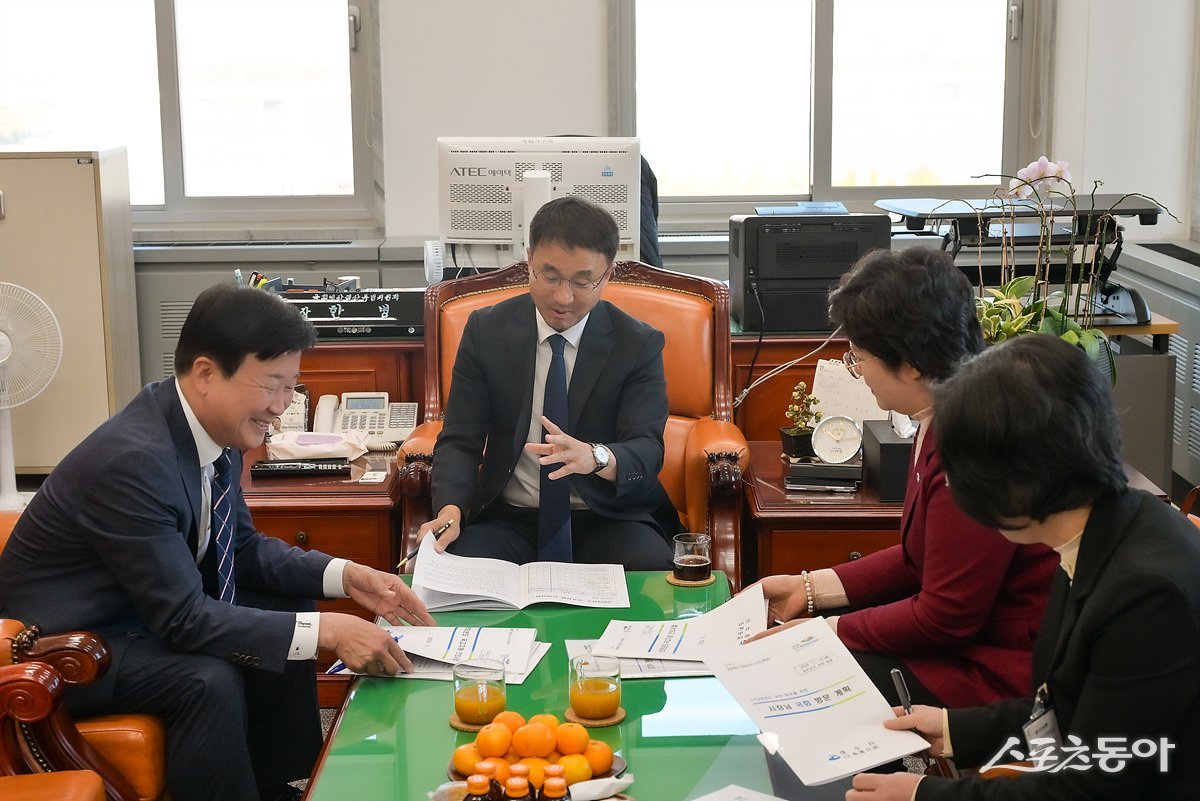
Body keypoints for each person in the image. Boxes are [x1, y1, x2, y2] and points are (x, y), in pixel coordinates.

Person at [0, 285, 436, 801]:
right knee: (205, 678)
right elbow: (183, 619)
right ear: (206, 373)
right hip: (65, 647)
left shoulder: (211, 432)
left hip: (137, 613)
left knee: (287, 606)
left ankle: (272, 786)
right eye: (272, 385)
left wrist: (350, 576)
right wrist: (328, 631)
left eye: (292, 387)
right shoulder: (133, 461)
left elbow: (242, 551)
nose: (282, 407)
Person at [850, 334, 1200, 799]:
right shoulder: (1098, 529)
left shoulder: (1145, 594)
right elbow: (1064, 705)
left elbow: (1092, 785)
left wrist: (923, 794)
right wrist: (956, 728)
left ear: (1022, 476)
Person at [745, 247, 1058, 710]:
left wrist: (824, 632)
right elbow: (921, 558)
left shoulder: (980, 442)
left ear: (911, 363)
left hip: (996, 667)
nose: (858, 372)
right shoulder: (942, 411)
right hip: (964, 639)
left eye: (859, 357)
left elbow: (947, 618)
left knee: (793, 677)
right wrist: (809, 587)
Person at [420, 195, 676, 568]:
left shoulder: (637, 343)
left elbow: (647, 449)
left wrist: (595, 456)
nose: (563, 297)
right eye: (550, 276)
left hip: (608, 518)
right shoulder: (486, 331)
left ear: (608, 275)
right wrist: (450, 508)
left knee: (650, 569)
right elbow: (461, 439)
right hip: (509, 518)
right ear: (529, 261)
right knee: (451, 569)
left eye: (582, 281)